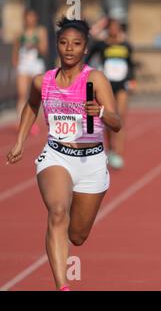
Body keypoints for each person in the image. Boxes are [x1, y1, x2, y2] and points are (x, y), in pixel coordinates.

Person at [6, 17, 121, 290]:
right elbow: (32, 106)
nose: (69, 49)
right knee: (57, 212)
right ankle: (63, 286)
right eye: (64, 43)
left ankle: (62, 239)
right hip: (56, 155)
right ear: (57, 45)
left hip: (91, 160)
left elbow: (117, 123)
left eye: (76, 44)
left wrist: (101, 113)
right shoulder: (42, 81)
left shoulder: (95, 79)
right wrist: (20, 141)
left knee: (78, 235)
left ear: (85, 49)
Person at [86, 18, 135, 170]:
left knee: (120, 118)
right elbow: (88, 56)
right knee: (108, 118)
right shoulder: (102, 45)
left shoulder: (126, 45)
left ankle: (118, 153)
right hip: (106, 85)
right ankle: (110, 149)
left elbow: (130, 64)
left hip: (121, 85)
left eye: (116, 28)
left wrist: (133, 80)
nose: (114, 30)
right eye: (111, 28)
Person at [11, 9, 48, 135]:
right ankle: (20, 121)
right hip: (23, 65)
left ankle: (33, 123)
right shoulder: (19, 32)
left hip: (36, 65)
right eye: (28, 17)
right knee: (22, 94)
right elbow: (15, 49)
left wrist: (34, 45)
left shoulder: (40, 31)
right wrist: (15, 62)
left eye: (32, 17)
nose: (30, 20)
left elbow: (44, 49)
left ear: (35, 18)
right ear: (24, 18)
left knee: (35, 95)